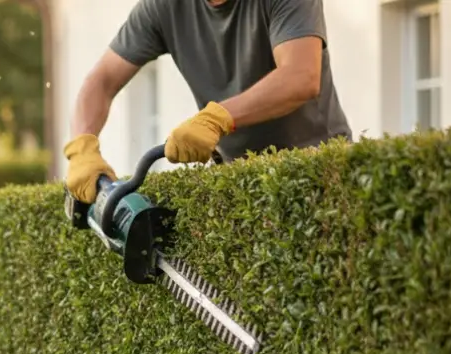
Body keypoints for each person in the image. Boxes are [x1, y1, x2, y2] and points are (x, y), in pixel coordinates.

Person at [63, 0, 352, 203]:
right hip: (236, 181)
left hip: (317, 172)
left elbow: (301, 77)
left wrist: (217, 118)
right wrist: (81, 148)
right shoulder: (163, 7)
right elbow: (101, 82)